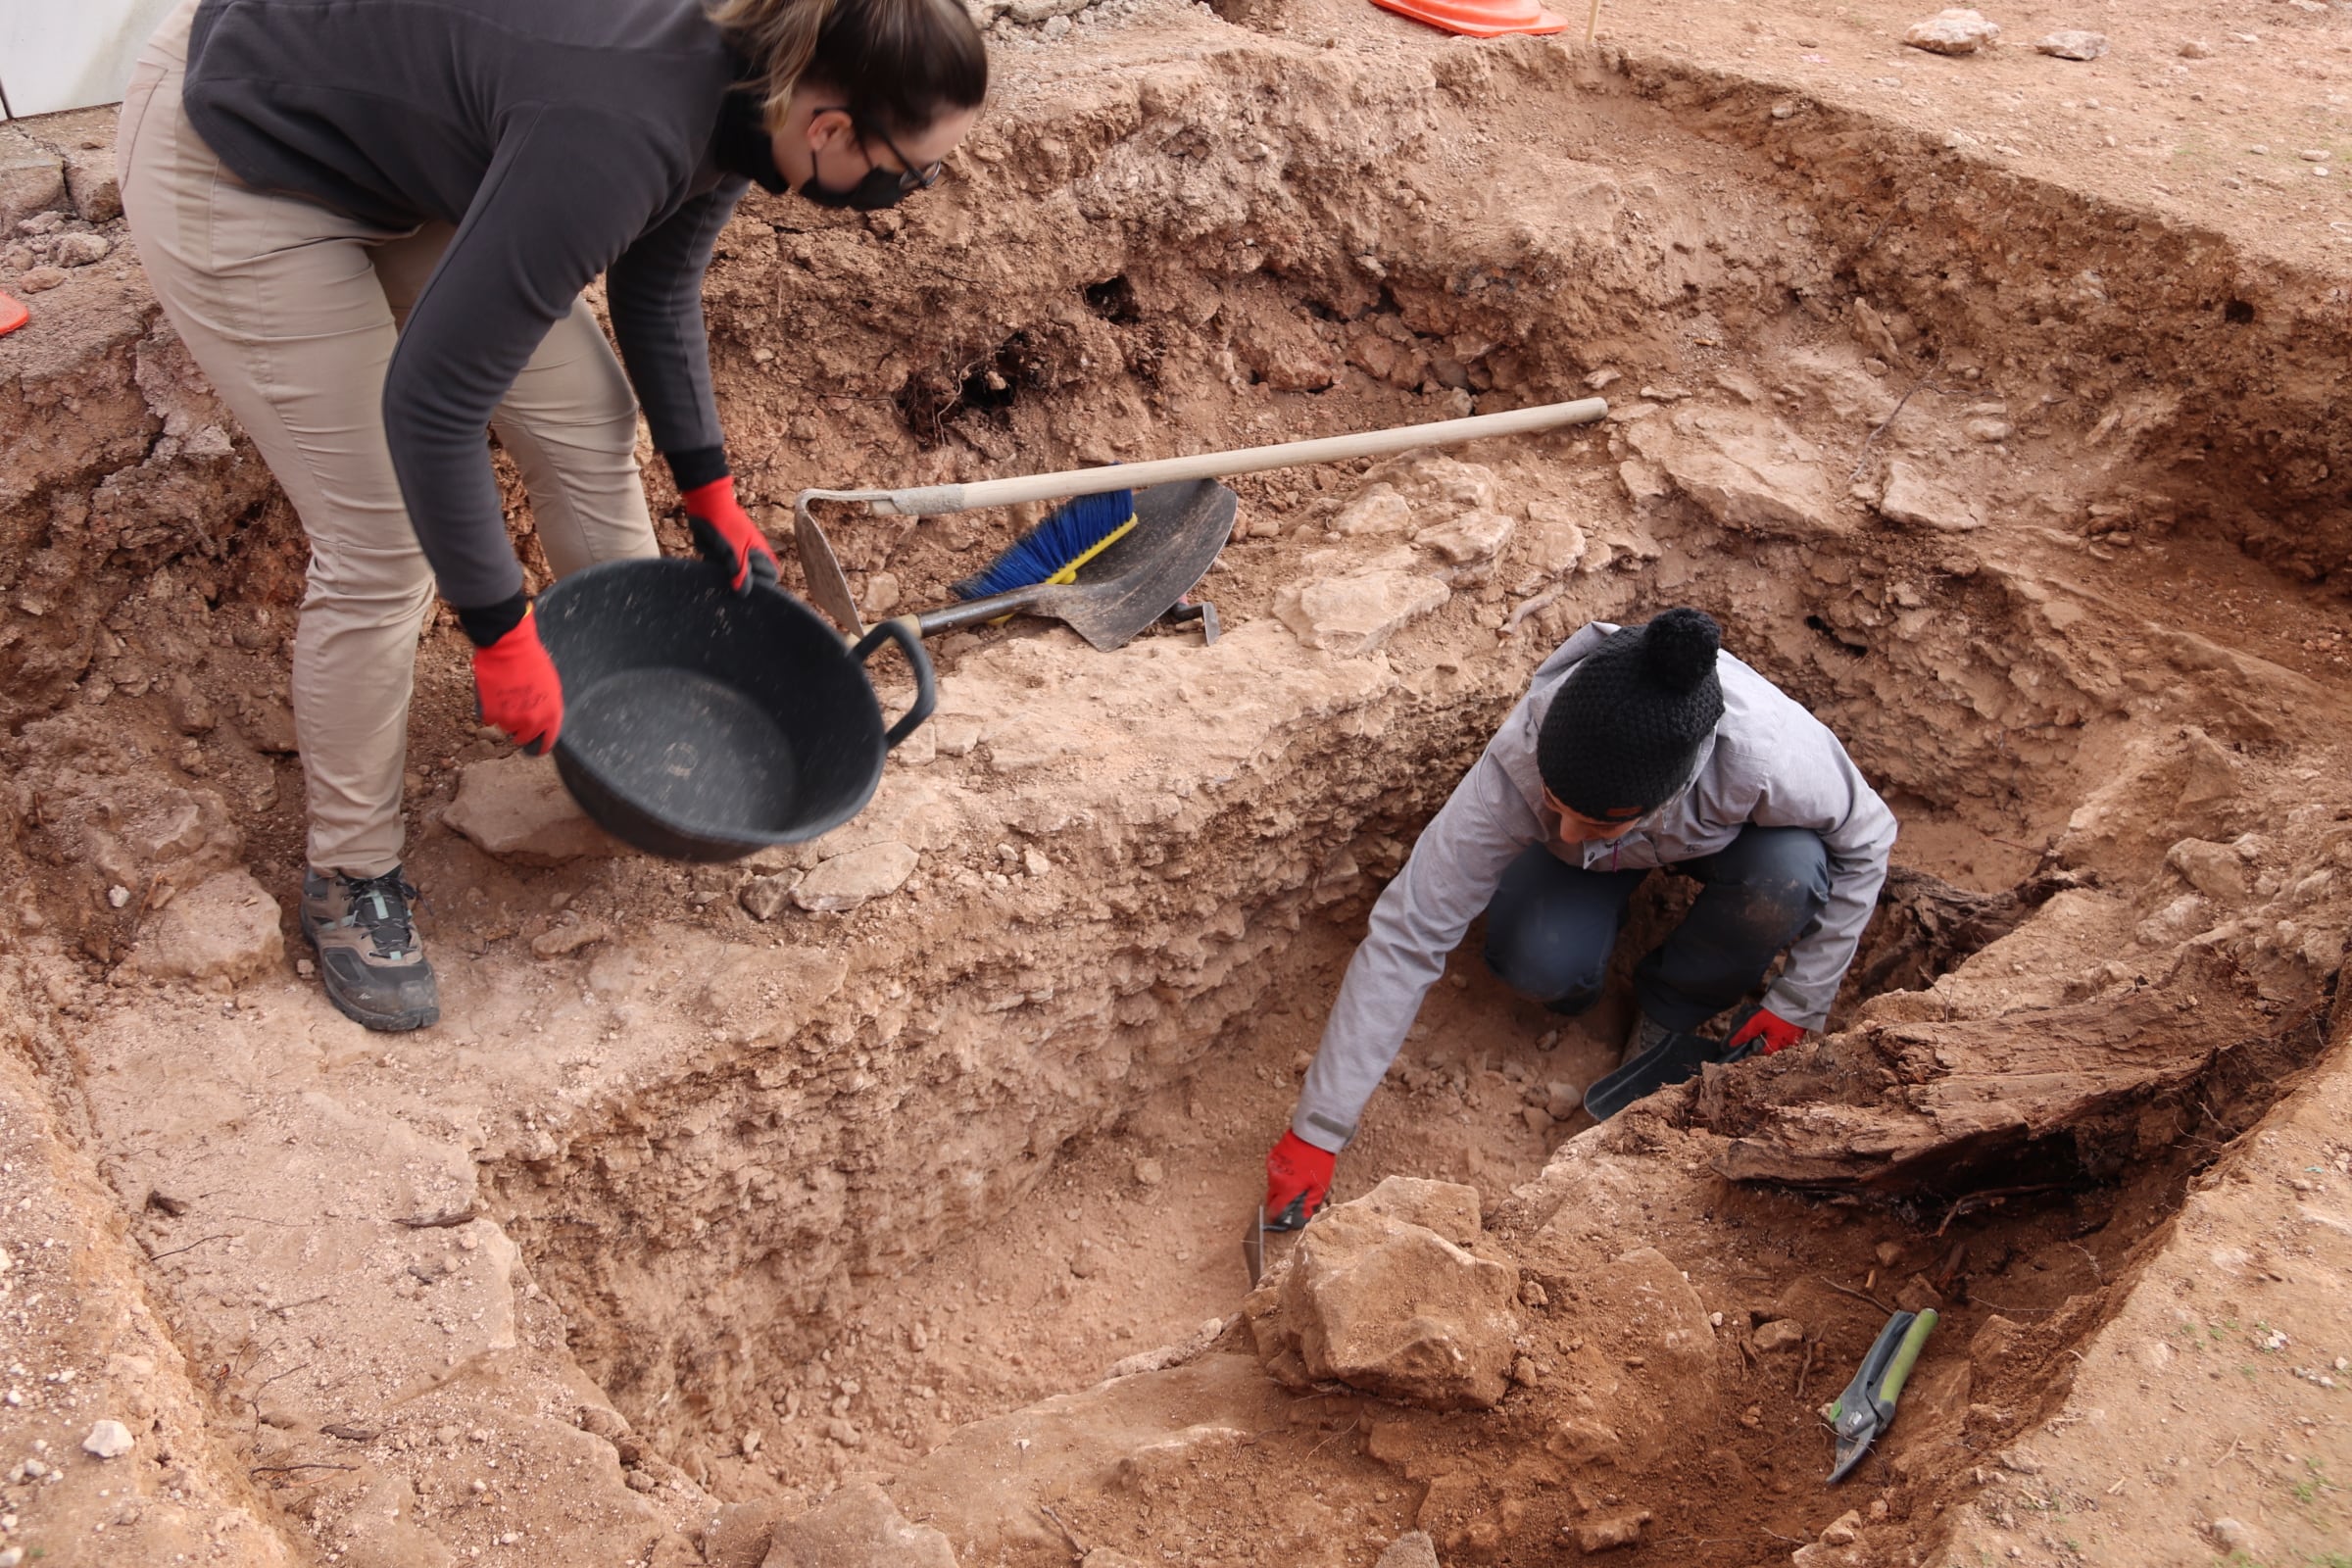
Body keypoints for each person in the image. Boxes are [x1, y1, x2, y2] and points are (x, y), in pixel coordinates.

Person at [118, 0, 987, 1031]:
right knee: (385, 540)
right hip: (239, 144)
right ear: (833, 129)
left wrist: (705, 485)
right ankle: (350, 877)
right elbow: (431, 402)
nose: (911, 190)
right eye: (912, 170)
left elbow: (657, 284)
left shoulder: (760, 91)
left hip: (389, 130)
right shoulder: (624, 125)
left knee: (585, 411)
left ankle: (626, 719)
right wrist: (497, 630)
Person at [1262, 608, 1897, 1227]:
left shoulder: (1770, 754)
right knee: (1539, 961)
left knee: (1789, 871)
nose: (1564, 828)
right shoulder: (1520, 760)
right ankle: (1588, 967)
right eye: (1555, 804)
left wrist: (1800, 1002)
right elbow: (1410, 932)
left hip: (1728, 847)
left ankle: (1669, 1010)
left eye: (1593, 819)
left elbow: (1869, 837)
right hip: (1592, 867)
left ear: (1668, 793)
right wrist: (1318, 1131)